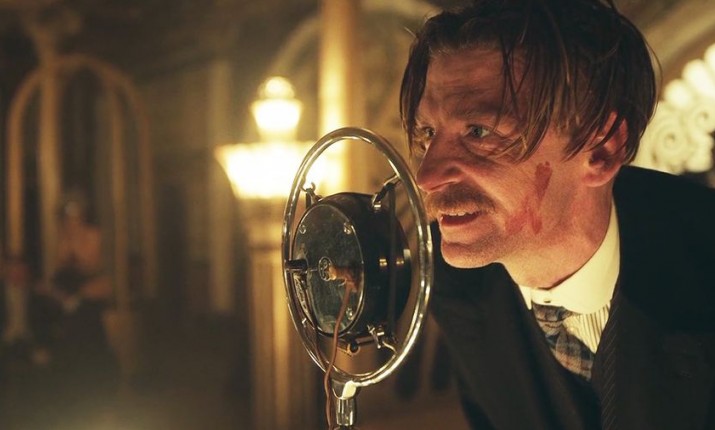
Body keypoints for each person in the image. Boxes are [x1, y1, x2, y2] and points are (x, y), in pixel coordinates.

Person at [399, 0, 715, 429]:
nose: (427, 176)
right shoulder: (454, 285)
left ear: (602, 150)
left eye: (479, 131)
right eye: (428, 133)